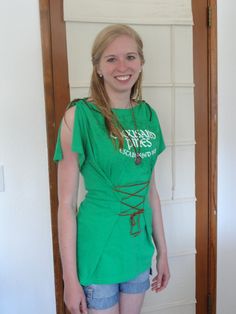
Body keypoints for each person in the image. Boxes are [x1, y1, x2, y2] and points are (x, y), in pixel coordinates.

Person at [54, 24, 170, 314]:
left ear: (141, 63)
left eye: (130, 57)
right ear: (98, 67)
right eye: (111, 58)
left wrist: (163, 252)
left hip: (137, 249)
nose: (123, 66)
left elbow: (150, 192)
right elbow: (65, 204)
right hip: (98, 249)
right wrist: (70, 279)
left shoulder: (148, 115)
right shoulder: (78, 116)